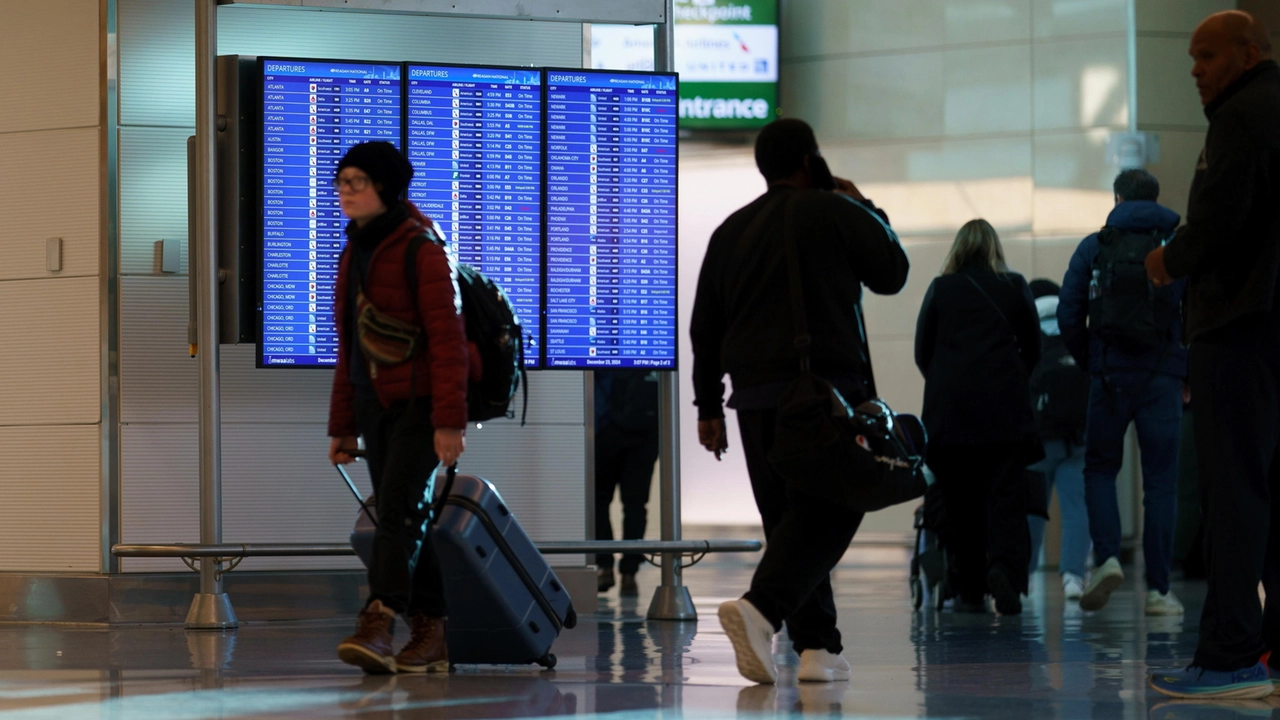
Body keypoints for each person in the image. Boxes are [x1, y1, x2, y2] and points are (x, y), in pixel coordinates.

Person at [690, 118, 909, 685]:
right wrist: (867, 207)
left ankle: (818, 648)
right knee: (842, 499)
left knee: (791, 522)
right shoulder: (835, 212)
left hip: (755, 401)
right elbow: (893, 273)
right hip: (823, 394)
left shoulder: (729, 231)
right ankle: (762, 610)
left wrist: (708, 406)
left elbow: (705, 328)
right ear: (811, 161)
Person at [1144, 10, 1280, 700]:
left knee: (1233, 493)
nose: (1194, 69)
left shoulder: (1242, 117)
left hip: (1238, 326)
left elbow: (1221, 219)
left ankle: (1230, 656)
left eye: (1206, 56)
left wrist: (1169, 260)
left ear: (1248, 54)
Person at [327, 141, 470, 675]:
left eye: (357, 181)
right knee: (407, 515)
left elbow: (448, 339)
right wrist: (342, 425)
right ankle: (432, 633)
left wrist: (449, 420)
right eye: (341, 181)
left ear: (386, 186)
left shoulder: (422, 248)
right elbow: (351, 347)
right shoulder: (355, 250)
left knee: (398, 512)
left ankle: (379, 617)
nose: (345, 191)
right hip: (373, 404)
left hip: (421, 404)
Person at [1057, 169, 1187, 616]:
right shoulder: (1173, 248)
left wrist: (1093, 360)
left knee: (1099, 471)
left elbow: (1069, 312)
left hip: (1109, 376)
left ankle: (1108, 557)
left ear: (1117, 197)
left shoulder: (1095, 247)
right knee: (1161, 485)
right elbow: (1195, 310)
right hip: (1162, 378)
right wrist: (1183, 370)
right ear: (1155, 197)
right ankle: (1158, 590)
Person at [915, 219, 1040, 616]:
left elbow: (922, 351)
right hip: (1004, 413)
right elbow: (1033, 348)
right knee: (1005, 498)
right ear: (993, 249)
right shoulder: (1015, 286)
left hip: (950, 415)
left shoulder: (940, 289)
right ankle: (1004, 570)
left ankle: (969, 585)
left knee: (960, 501)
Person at [1024, 278, 1092, 602]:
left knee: (1033, 510)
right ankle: (1073, 578)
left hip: (1039, 439)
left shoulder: (1027, 331)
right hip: (1078, 436)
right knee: (1076, 507)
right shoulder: (1075, 326)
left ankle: (1024, 577)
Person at [594, 369, 660, 596]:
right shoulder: (650, 350)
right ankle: (629, 574)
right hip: (644, 437)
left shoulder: (602, 350)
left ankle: (605, 566)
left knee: (599, 503)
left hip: (606, 433)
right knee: (635, 506)